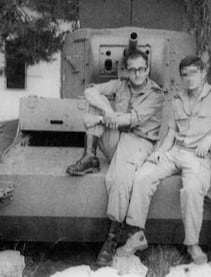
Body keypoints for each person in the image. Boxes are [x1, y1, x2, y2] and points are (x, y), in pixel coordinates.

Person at [116, 55, 211, 264]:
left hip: (199, 157)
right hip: (174, 151)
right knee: (142, 176)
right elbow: (172, 133)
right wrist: (159, 152)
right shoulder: (177, 99)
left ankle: (192, 244)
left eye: (193, 73)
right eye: (185, 75)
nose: (189, 79)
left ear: (203, 73)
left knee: (192, 190)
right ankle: (137, 235)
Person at [66, 49, 165, 266]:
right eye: (132, 70)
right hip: (117, 137)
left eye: (141, 69)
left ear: (147, 69)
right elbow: (90, 91)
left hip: (139, 140)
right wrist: (106, 111)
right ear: (126, 71)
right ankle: (90, 155)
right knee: (96, 100)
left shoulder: (155, 94)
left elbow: (133, 119)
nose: (137, 74)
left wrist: (101, 118)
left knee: (119, 179)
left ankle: (111, 240)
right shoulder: (120, 84)